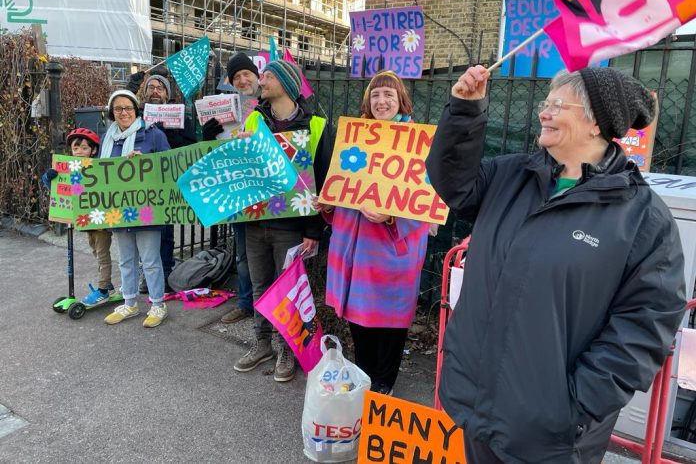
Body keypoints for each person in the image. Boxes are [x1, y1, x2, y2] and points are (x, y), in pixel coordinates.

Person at [425, 65, 687, 464]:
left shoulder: (642, 218)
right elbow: (454, 180)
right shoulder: (511, 175)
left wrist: (574, 405)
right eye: (545, 103)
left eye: (557, 104)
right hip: (477, 404)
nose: (543, 113)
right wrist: (465, 108)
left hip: (552, 436)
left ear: (597, 123)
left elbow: (645, 323)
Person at [313, 70, 431, 396]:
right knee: (360, 319)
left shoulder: (417, 143)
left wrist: (392, 216)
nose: (381, 101)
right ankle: (364, 380)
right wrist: (327, 204)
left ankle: (384, 385)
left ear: (401, 101)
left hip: (393, 253)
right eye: (375, 95)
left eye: (388, 95)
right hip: (354, 250)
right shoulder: (354, 137)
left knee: (390, 325)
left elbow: (428, 200)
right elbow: (343, 193)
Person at [232, 59, 331, 383]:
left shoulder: (316, 125)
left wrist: (313, 230)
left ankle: (286, 347)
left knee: (288, 289)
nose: (262, 80)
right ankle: (262, 342)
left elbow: (324, 180)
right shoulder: (255, 121)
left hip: (292, 226)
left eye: (269, 76)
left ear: (288, 84)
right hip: (256, 221)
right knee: (260, 286)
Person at [101, 89, 171, 328]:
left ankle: (158, 304)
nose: (123, 113)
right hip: (118, 210)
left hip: (146, 208)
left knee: (150, 260)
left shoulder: (153, 135)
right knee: (125, 259)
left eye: (128, 108)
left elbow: (169, 168)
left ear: (136, 110)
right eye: (118, 108)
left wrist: (146, 164)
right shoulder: (107, 138)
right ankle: (130, 303)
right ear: (112, 112)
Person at [201, 52, 260, 325]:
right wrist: (209, 137)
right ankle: (246, 303)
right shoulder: (229, 107)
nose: (242, 79)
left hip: (266, 191)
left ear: (257, 76)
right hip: (237, 190)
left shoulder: (270, 103)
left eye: (246, 74)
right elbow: (214, 157)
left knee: (269, 256)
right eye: (237, 76)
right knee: (243, 254)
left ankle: (266, 309)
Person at [127, 68, 196, 293]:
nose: (155, 91)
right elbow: (118, 110)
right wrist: (131, 85)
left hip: (166, 183)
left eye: (160, 88)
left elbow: (190, 148)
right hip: (140, 183)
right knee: (140, 229)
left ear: (167, 95)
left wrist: (170, 133)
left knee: (165, 231)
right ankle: (145, 274)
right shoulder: (136, 115)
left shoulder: (181, 116)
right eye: (151, 87)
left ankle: (165, 273)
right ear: (144, 93)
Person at [42, 128, 115, 306]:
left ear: (94, 150)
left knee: (102, 254)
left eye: (84, 148)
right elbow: (59, 189)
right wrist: (48, 178)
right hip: (85, 221)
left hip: (101, 221)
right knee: (96, 252)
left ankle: (103, 289)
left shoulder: (100, 167)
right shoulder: (70, 169)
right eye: (76, 149)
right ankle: (107, 283)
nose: (80, 152)